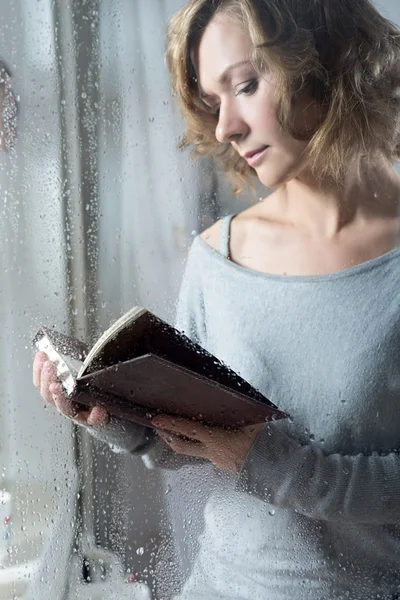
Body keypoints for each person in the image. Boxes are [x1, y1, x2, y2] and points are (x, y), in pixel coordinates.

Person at [33, 0, 400, 598]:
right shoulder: (217, 257)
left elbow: (258, 459)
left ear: (328, 62)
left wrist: (275, 463)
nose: (226, 126)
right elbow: (201, 443)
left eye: (247, 85)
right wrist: (111, 418)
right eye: (213, 101)